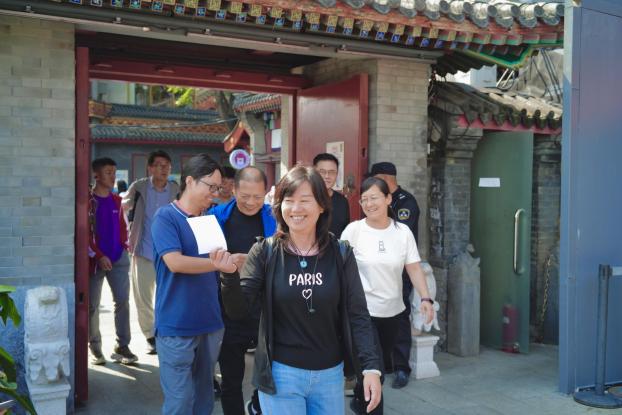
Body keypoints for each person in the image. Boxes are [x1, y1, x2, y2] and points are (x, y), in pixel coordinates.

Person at [215, 166, 382, 415]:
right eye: (288, 200)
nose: (295, 209)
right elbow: (239, 311)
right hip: (281, 374)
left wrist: (371, 367)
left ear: (321, 205)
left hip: (330, 375)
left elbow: (358, 313)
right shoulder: (264, 252)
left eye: (305, 200)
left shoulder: (341, 253)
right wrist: (229, 275)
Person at [151, 153, 237, 415]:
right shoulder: (166, 217)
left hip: (210, 323)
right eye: (211, 187)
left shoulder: (209, 219)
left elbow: (218, 262)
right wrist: (220, 264)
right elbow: (175, 262)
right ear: (190, 181)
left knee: (204, 400)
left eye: (218, 188)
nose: (215, 194)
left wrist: (232, 262)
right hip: (177, 325)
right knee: (179, 402)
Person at [341, 176, 434, 414]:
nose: (369, 204)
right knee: (374, 372)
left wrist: (425, 298)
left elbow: (413, 268)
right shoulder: (354, 231)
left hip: (393, 313)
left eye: (374, 198)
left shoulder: (402, 232)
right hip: (362, 314)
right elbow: (338, 268)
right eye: (364, 200)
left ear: (388, 199)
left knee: (377, 368)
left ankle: (360, 400)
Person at [209, 166, 276, 415]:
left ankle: (258, 407)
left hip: (266, 307)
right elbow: (204, 257)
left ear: (266, 193)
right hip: (228, 306)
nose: (251, 202)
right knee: (231, 377)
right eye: (245, 196)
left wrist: (249, 260)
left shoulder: (275, 217)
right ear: (234, 190)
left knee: (270, 373)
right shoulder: (215, 217)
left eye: (258, 197)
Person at [122, 150, 179, 354]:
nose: (164, 169)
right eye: (160, 165)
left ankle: (166, 330)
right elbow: (122, 207)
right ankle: (150, 335)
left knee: (169, 295)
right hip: (143, 249)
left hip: (170, 252)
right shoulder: (139, 187)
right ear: (150, 168)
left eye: (167, 166)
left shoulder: (175, 189)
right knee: (144, 297)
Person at [370, 161, 421, 389]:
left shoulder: (406, 202)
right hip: (378, 271)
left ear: (384, 178)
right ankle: (384, 364)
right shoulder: (378, 201)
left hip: (399, 271)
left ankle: (401, 368)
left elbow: (395, 234)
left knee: (400, 317)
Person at [88, 157, 138, 366]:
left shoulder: (117, 200)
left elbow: (123, 227)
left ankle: (122, 346)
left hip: (119, 258)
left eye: (114, 172)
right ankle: (95, 347)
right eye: (108, 172)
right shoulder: (88, 202)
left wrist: (124, 247)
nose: (113, 176)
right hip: (95, 261)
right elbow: (86, 234)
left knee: (123, 302)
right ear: (96, 175)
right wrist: (99, 256)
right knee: (92, 305)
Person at [313, 153, 350, 237]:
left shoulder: (342, 201)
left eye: (332, 172)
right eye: (322, 172)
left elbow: (345, 233)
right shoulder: (306, 199)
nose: (327, 176)